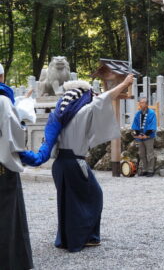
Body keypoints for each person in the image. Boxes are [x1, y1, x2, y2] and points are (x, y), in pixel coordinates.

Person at [21, 74, 134, 252]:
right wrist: (125, 83)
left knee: (67, 202)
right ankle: (84, 237)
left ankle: (66, 239)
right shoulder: (83, 111)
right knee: (95, 196)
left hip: (60, 164)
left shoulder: (58, 116)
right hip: (75, 163)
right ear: (81, 96)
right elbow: (106, 97)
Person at [0, 63, 33, 270]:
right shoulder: (3, 100)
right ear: (2, 77)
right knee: (6, 216)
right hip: (2, 168)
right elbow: (14, 137)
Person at [131, 97, 157, 177]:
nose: (140, 104)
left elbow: (152, 125)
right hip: (140, 137)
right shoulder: (137, 114)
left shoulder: (152, 113)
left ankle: (150, 170)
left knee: (150, 153)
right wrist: (138, 134)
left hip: (149, 137)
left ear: (146, 104)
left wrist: (146, 135)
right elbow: (135, 125)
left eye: (142, 102)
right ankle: (145, 169)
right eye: (140, 102)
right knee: (142, 154)